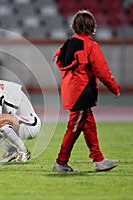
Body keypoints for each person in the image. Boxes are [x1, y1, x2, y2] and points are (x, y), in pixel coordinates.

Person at [52, 10, 120, 172]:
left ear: (75, 25)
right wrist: (115, 89)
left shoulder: (67, 44)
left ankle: (99, 160)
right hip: (82, 93)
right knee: (74, 128)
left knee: (89, 125)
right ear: (92, 27)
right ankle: (61, 163)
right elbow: (102, 71)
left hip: (70, 91)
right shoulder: (90, 46)